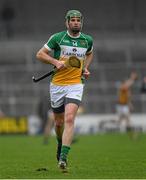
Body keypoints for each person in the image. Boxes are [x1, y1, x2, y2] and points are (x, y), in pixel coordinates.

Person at [36, 9, 93, 170]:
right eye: (72, 20)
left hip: (75, 84)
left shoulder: (87, 40)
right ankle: (60, 143)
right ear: (67, 22)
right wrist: (55, 62)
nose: (76, 22)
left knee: (69, 119)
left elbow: (89, 54)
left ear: (81, 22)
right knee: (59, 122)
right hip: (57, 85)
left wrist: (85, 68)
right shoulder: (57, 38)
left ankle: (63, 157)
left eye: (78, 20)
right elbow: (40, 54)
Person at [116, 72, 138, 137]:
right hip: (121, 105)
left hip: (124, 105)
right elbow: (127, 85)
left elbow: (128, 97)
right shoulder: (123, 87)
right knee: (122, 120)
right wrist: (132, 79)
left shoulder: (126, 89)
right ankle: (131, 134)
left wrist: (130, 104)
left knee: (126, 119)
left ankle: (131, 134)